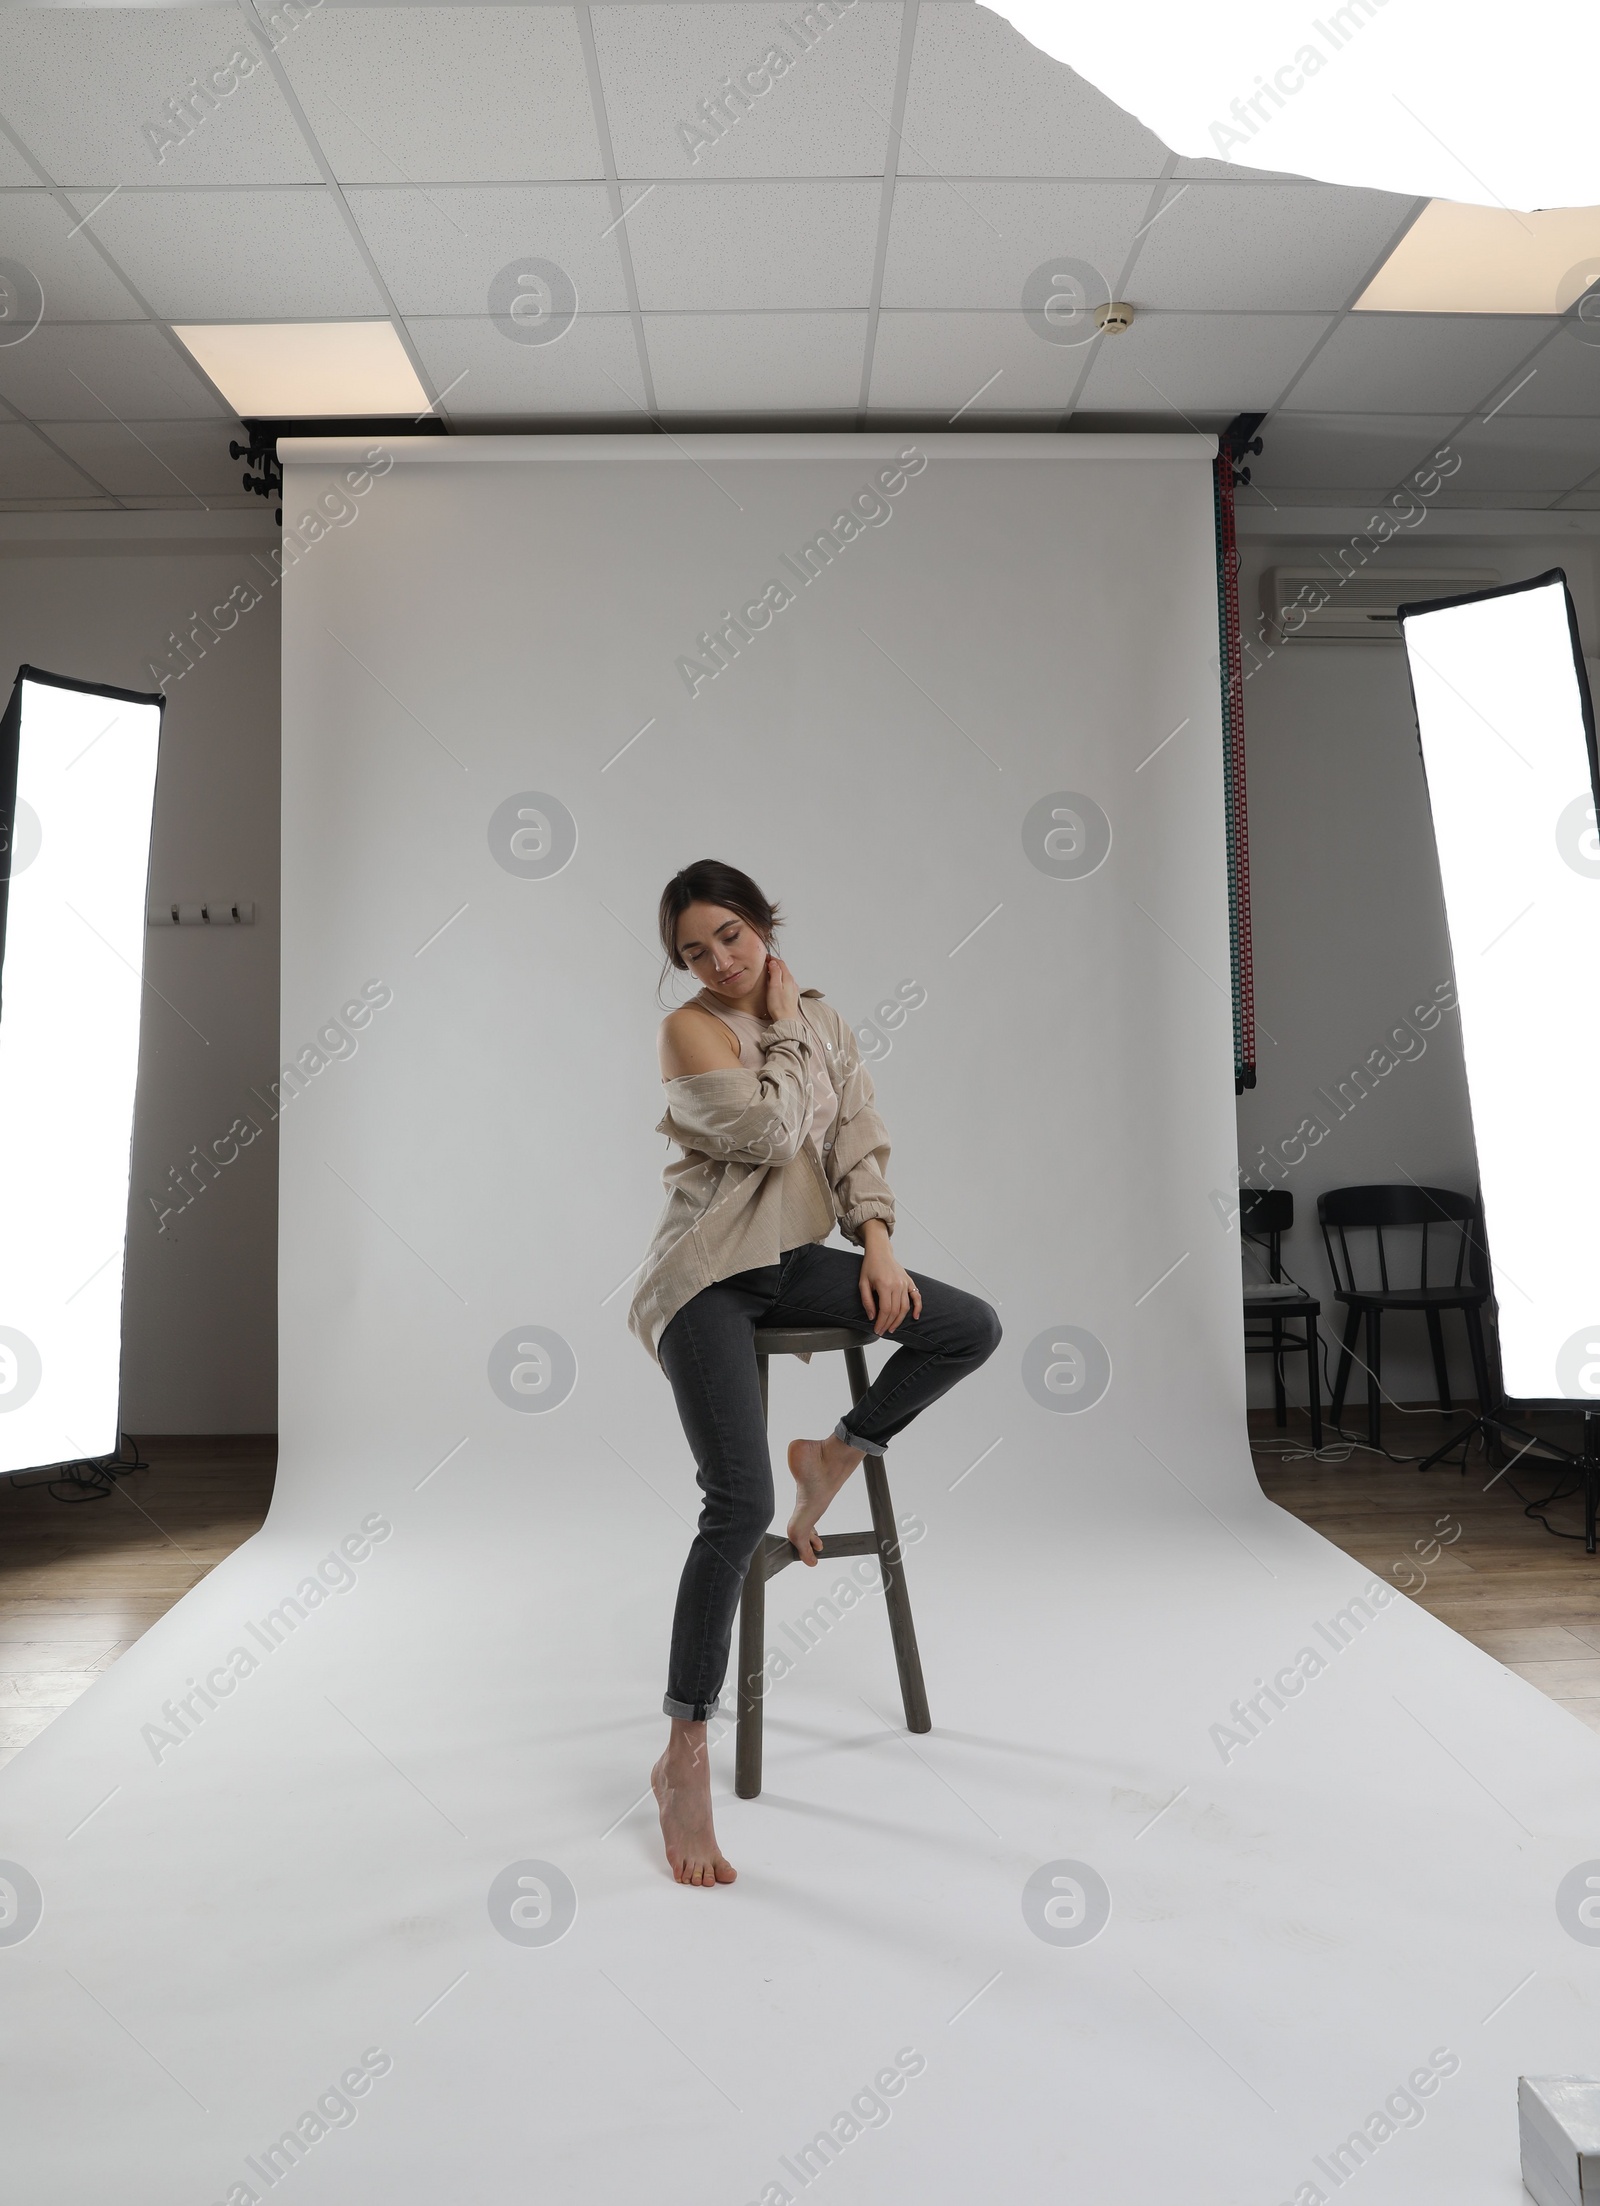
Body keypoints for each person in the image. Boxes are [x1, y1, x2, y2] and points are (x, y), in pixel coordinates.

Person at [628, 859, 1002, 1887]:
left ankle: (837, 1449)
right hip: (706, 1274)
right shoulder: (693, 1032)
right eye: (694, 950)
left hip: (792, 1265)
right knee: (736, 1501)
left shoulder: (823, 1020)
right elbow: (772, 1130)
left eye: (731, 935)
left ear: (762, 924)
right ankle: (683, 1752)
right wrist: (785, 1024)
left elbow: (851, 1137)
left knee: (964, 1326)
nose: (717, 960)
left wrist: (877, 1243)